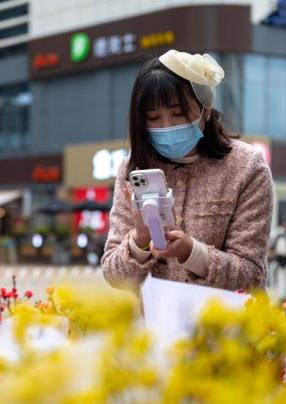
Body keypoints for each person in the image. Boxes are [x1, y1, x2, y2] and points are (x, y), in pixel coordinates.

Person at [101, 50, 273, 295]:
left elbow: (252, 275)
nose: (166, 126)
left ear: (206, 109)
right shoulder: (133, 170)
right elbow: (113, 275)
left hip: (227, 330)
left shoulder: (246, 166)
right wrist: (139, 241)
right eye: (153, 118)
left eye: (178, 113)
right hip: (155, 330)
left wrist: (192, 253)